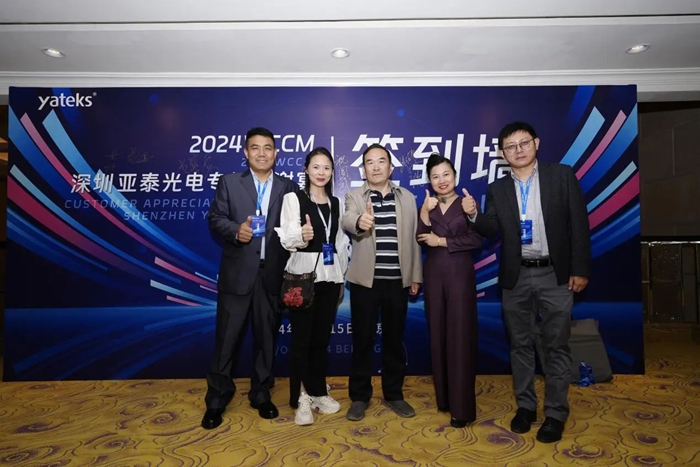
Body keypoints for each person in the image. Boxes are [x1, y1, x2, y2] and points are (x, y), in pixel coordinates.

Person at [464, 121, 590, 443]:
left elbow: (579, 223)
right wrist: (474, 215)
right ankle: (526, 407)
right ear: (502, 153)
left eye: (523, 143)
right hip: (516, 276)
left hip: (554, 274)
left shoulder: (561, 176)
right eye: (510, 146)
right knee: (520, 345)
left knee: (556, 345)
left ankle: (556, 413)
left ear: (536, 143)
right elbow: (491, 229)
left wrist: (579, 269)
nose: (517, 150)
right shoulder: (498, 189)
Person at [202, 127, 298, 429]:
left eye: (267, 147)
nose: (261, 153)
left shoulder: (288, 186)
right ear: (245, 152)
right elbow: (215, 218)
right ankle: (217, 399)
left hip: (271, 276)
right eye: (255, 148)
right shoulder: (229, 183)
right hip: (237, 275)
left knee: (266, 340)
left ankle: (260, 394)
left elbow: (293, 227)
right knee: (226, 340)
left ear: (276, 153)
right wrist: (236, 230)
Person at [341, 143, 423, 421]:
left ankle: (394, 394)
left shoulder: (407, 197)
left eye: (381, 161)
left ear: (390, 166)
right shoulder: (354, 196)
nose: (376, 167)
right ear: (363, 169)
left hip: (398, 281)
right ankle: (359, 397)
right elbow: (347, 219)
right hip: (366, 282)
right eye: (370, 162)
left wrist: (415, 275)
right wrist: (360, 222)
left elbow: (414, 238)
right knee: (362, 340)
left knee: (394, 340)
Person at [274, 147, 349, 426]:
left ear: (332, 172)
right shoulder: (294, 198)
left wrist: (340, 276)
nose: (321, 172)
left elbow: (340, 243)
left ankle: (317, 391)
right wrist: (302, 235)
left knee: (320, 340)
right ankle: (301, 397)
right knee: (301, 341)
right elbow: (286, 238)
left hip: (330, 277)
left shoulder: (336, 203)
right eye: (316, 167)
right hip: (302, 278)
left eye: (326, 167)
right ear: (306, 169)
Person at [416, 153, 482, 428]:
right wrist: (423, 212)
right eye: (435, 176)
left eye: (446, 174)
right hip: (434, 276)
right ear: (429, 181)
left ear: (455, 176)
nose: (441, 180)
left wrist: (443, 239)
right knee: (438, 337)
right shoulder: (428, 205)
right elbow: (420, 237)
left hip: (459, 275)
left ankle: (462, 408)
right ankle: (444, 399)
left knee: (460, 338)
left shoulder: (466, 203)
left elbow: (477, 239)